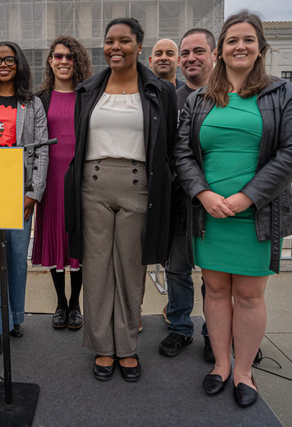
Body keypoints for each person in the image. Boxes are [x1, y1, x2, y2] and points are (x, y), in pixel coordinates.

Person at [173, 10, 292, 407]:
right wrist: (203, 194)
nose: (239, 47)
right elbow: (182, 153)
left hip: (257, 213)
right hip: (209, 213)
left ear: (260, 47)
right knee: (214, 291)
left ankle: (244, 371)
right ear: (221, 50)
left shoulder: (285, 94)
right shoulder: (199, 99)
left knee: (248, 295)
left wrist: (247, 196)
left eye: (247, 39)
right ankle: (220, 365)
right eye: (232, 40)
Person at [64, 18, 177, 382]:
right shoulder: (88, 90)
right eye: (110, 41)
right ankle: (102, 346)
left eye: (124, 41)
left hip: (139, 185)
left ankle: (126, 347)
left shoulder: (160, 90)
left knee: (130, 269)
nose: (116, 47)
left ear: (138, 46)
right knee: (96, 268)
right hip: (92, 186)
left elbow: (171, 146)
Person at [0, 41, 49, 356]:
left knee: (16, 259)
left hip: (21, 193)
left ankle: (15, 317)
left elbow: (42, 148)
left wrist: (33, 193)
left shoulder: (33, 104)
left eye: (9, 59)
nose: (3, 64)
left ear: (19, 64)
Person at [158, 28, 217, 359]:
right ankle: (180, 327)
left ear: (213, 54)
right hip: (179, 201)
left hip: (216, 200)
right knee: (177, 269)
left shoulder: (227, 98)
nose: (190, 58)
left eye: (198, 51)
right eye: (185, 53)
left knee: (215, 275)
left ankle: (215, 332)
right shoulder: (170, 99)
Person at [32, 35, 92, 330]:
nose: (64, 61)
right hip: (50, 181)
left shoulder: (89, 95)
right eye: (58, 56)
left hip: (81, 179)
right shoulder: (39, 98)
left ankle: (76, 303)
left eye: (70, 56)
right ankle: (60, 302)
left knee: (76, 241)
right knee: (56, 240)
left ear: (77, 61)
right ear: (50, 62)